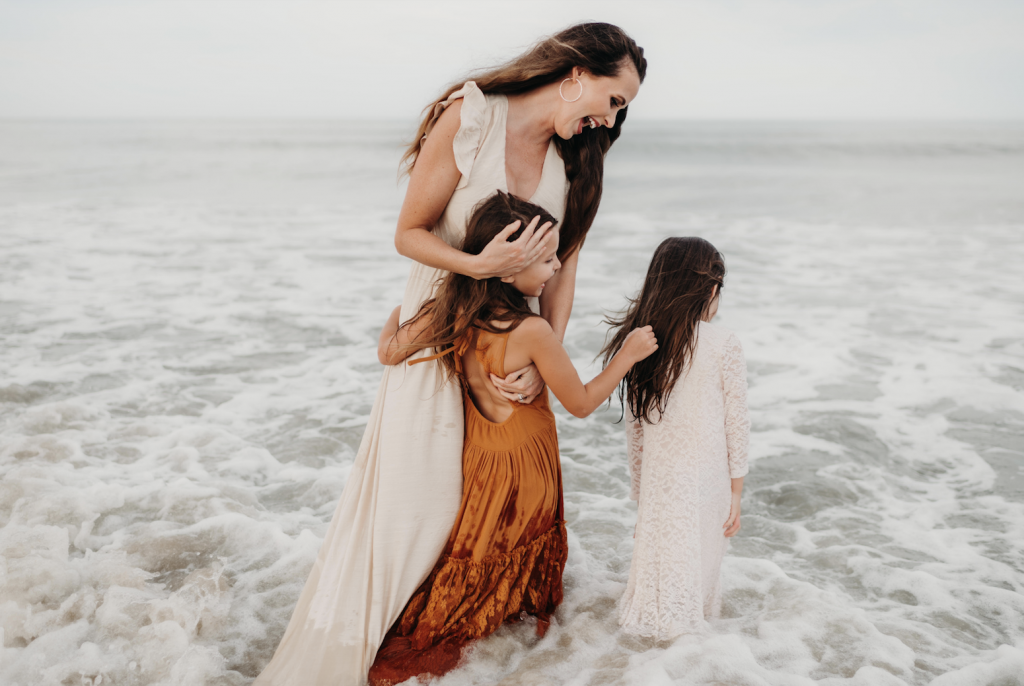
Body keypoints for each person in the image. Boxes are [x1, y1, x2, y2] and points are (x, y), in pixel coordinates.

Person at [253, 23, 646, 686]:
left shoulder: (579, 159)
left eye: (621, 109)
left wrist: (539, 356)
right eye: (611, 98)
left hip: (504, 350)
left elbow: (566, 267)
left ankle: (463, 656)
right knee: (419, 504)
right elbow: (408, 233)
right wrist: (477, 260)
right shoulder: (472, 117)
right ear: (575, 72)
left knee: (485, 515)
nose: (612, 118)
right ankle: (357, 654)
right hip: (439, 335)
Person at [368, 191, 659, 684]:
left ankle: (478, 642)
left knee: (476, 553)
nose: (552, 271)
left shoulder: (452, 311)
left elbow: (388, 352)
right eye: (545, 260)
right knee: (516, 555)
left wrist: (402, 308)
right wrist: (628, 356)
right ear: (507, 266)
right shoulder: (532, 330)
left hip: (480, 460)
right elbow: (583, 404)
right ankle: (513, 648)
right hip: (525, 467)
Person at [601, 237, 750, 639]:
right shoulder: (724, 344)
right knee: (699, 580)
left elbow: (636, 433)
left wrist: (640, 493)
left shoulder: (643, 343)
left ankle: (648, 652)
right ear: (711, 289)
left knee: (659, 581)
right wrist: (737, 494)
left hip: (660, 483)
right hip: (710, 482)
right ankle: (690, 658)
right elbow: (736, 426)